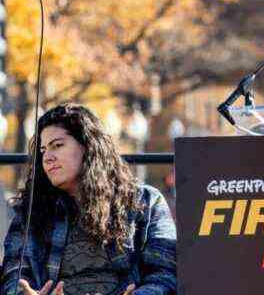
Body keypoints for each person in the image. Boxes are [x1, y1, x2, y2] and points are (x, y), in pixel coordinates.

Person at [1, 104, 176, 295]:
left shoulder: (146, 201)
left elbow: (165, 275)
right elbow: (13, 275)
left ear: (88, 146)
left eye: (57, 145)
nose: (47, 158)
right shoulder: (32, 210)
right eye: (43, 150)